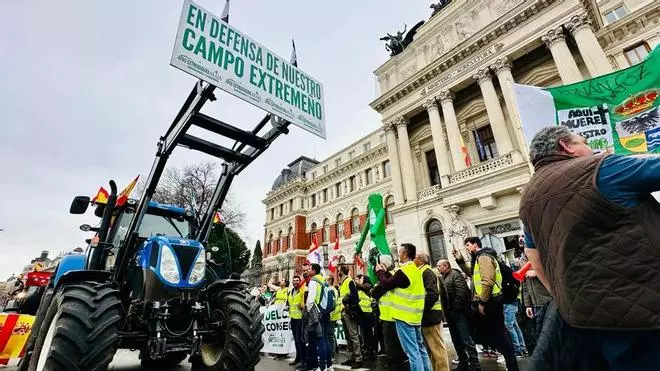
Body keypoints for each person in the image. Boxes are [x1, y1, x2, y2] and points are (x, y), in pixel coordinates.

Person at [520, 125, 660, 370]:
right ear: (566, 146)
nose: (590, 148)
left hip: (585, 318)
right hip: (645, 312)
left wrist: (565, 298)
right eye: (584, 142)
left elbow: (534, 257)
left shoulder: (528, 197)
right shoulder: (599, 169)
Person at [455, 237, 519, 371]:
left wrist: (482, 302)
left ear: (475, 245)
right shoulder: (478, 257)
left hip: (491, 303)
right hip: (490, 302)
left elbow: (488, 280)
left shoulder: (483, 257)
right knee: (495, 335)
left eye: (468, 245)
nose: (466, 248)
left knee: (500, 335)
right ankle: (509, 362)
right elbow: (473, 274)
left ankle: (512, 365)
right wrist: (460, 260)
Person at [376, 243, 431, 371]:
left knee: (412, 352)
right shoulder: (415, 270)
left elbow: (386, 284)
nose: (398, 255)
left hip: (404, 317)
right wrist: (385, 272)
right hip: (415, 316)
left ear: (405, 254)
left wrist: (379, 272)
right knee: (420, 348)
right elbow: (396, 280)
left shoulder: (403, 271)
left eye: (400, 252)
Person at [438, 260, 481, 371]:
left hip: (460, 313)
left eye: (439, 266)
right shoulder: (444, 277)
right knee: (456, 340)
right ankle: (463, 363)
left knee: (466, 339)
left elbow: (462, 292)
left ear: (446, 266)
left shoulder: (455, 274)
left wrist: (455, 308)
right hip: (450, 314)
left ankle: (475, 364)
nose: (438, 268)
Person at [414, 253, 450, 371]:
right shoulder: (425, 271)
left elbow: (433, 294)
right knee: (432, 349)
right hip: (430, 315)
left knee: (437, 349)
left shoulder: (426, 272)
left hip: (431, 315)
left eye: (415, 258)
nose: (413, 260)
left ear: (420, 260)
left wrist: (422, 309)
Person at [371, 262, 408, 370]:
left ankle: (395, 365)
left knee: (393, 346)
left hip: (391, 316)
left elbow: (380, 289)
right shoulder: (384, 279)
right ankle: (394, 363)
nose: (379, 270)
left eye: (382, 267)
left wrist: (382, 274)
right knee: (390, 345)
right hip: (386, 316)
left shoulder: (393, 276)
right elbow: (375, 293)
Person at [302, 263, 328, 371]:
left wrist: (307, 311)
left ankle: (321, 366)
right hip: (323, 311)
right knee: (320, 339)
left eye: (310, 269)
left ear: (314, 271)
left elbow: (311, 299)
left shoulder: (313, 281)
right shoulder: (323, 280)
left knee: (318, 339)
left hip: (315, 313)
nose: (308, 271)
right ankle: (320, 365)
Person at [338, 265, 363, 369]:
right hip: (343, 311)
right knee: (348, 336)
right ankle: (351, 357)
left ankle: (358, 358)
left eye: (339, 270)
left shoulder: (350, 281)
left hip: (349, 312)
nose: (338, 272)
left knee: (353, 335)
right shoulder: (343, 282)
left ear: (342, 272)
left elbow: (355, 296)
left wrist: (348, 301)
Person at [355, 274, 376, 361]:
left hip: (368, 314)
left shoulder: (367, 286)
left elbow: (360, 286)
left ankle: (371, 352)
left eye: (362, 278)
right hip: (363, 314)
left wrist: (354, 282)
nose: (361, 279)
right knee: (365, 334)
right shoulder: (361, 288)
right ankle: (367, 350)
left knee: (368, 334)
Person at [288, 275, 306, 367]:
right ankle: (298, 358)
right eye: (294, 280)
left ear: (300, 281)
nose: (295, 282)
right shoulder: (291, 292)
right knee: (296, 340)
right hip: (293, 319)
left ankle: (303, 360)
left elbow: (304, 303)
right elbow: (290, 304)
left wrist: (302, 305)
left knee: (300, 340)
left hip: (300, 319)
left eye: (297, 280)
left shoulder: (301, 291)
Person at [326, 275, 340, 364]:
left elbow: (333, 303)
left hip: (331, 316)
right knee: (331, 335)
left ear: (329, 281)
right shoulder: (332, 289)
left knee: (329, 336)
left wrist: (330, 313)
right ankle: (333, 352)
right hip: (332, 315)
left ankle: (331, 356)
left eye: (325, 280)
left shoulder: (331, 290)